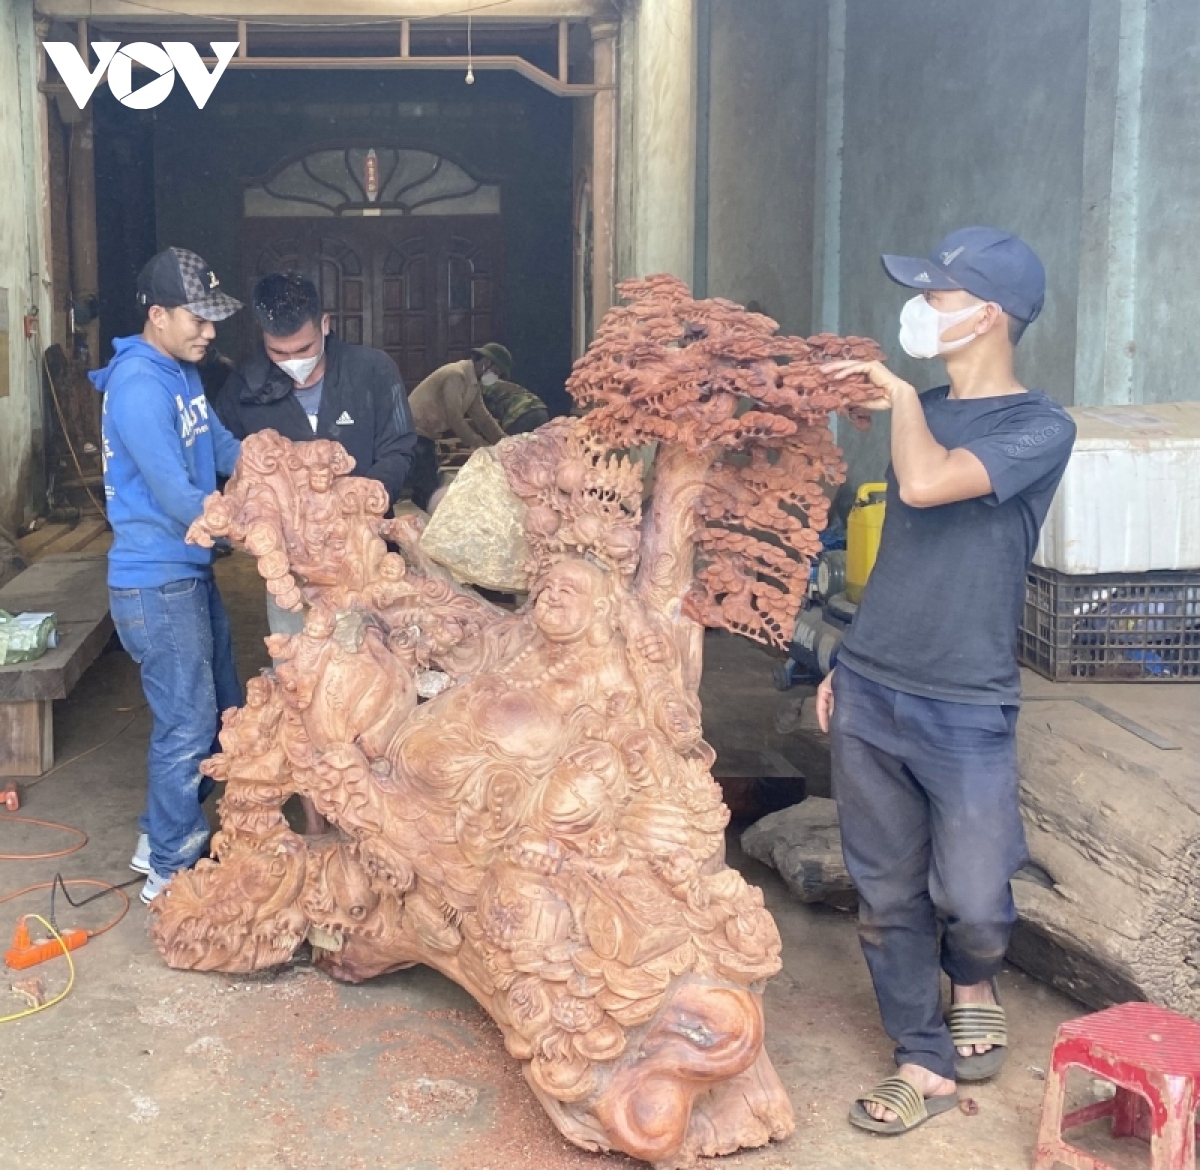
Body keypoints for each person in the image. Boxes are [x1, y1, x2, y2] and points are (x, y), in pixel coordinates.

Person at [816, 227, 1076, 1135]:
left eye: (936, 296)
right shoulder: (925, 408)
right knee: (886, 894)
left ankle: (975, 976)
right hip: (875, 684)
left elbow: (926, 488)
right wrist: (842, 657)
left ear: (987, 316)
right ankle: (920, 1059)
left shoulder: (1039, 427)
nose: (921, 312)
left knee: (972, 895)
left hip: (966, 701)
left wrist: (893, 399)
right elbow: (902, 553)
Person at [216, 272, 418, 836]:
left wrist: (364, 501)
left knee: (383, 675)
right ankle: (319, 821)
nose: (292, 361)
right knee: (304, 691)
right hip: (296, 576)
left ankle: (383, 814)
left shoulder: (372, 371)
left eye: (304, 349)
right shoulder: (245, 390)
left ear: (325, 327)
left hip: (368, 556)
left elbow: (401, 444)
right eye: (279, 352)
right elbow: (234, 471)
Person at [90, 247, 245, 904]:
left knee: (219, 711)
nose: (210, 331)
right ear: (157, 314)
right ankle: (172, 872)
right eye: (198, 318)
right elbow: (176, 490)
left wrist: (277, 468)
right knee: (187, 722)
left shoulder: (181, 374)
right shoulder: (139, 385)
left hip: (188, 573)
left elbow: (220, 447)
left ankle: (160, 832)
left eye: (214, 319)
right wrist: (253, 526)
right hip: (156, 582)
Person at [407, 344, 508, 510]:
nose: (495, 376)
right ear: (486, 363)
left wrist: (504, 442)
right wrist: (479, 444)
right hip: (414, 431)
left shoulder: (472, 384)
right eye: (495, 371)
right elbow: (454, 417)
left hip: (428, 435)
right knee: (426, 485)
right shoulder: (456, 375)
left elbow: (483, 418)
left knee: (427, 483)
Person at [475, 343, 549, 435]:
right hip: (540, 409)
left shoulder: (481, 385)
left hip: (519, 414)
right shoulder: (501, 384)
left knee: (508, 447)